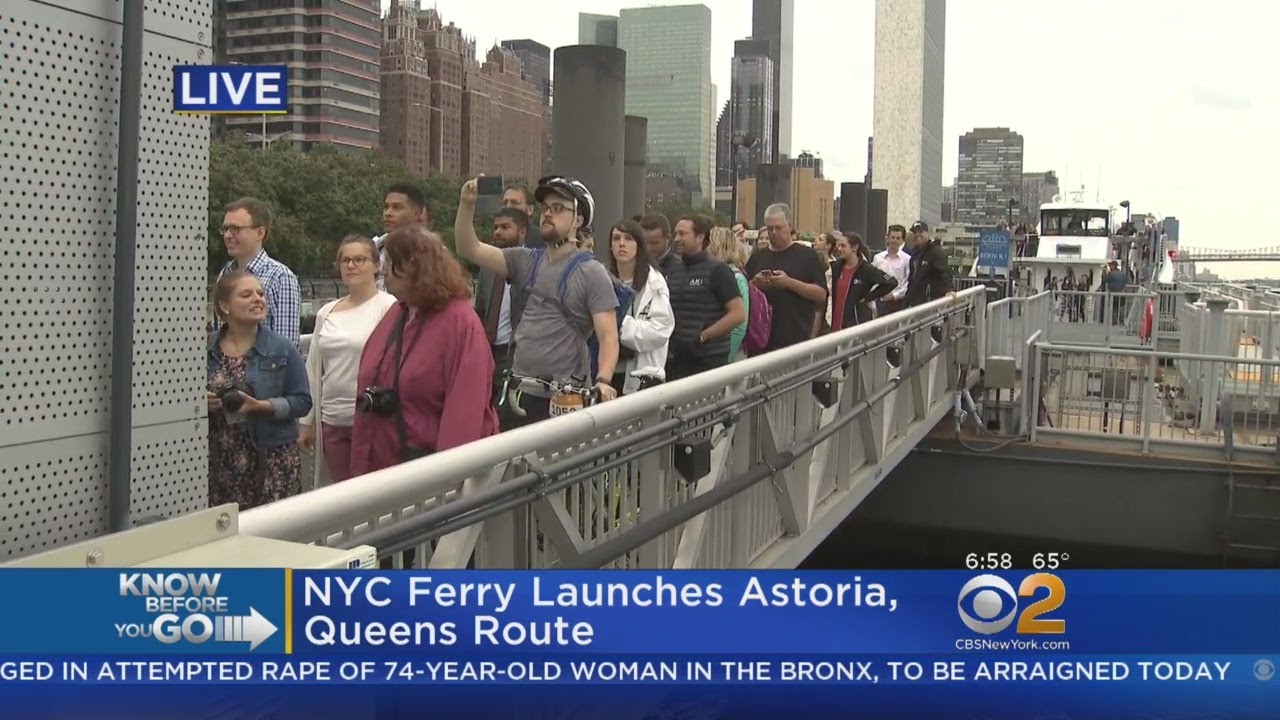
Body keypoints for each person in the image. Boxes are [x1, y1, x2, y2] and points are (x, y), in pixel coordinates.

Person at [453, 175, 621, 423]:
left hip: (562, 399)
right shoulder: (526, 260)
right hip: (518, 392)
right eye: (545, 208)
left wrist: (603, 381)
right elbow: (470, 248)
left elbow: (608, 336)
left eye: (558, 208)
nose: (548, 214)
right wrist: (466, 205)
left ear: (579, 219)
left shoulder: (591, 273)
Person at [348, 227, 498, 475]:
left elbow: (464, 415)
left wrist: (446, 482)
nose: (384, 270)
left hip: (424, 480)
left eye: (392, 262)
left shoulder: (460, 323)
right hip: (381, 470)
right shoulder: (398, 313)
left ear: (419, 268)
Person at [206, 271, 311, 509]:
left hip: (271, 460)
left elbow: (302, 401)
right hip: (219, 461)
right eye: (246, 294)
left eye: (260, 294)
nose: (258, 299)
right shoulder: (205, 350)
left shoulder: (281, 349)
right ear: (225, 305)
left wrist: (261, 406)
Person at [299, 236, 397, 487]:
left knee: (371, 492)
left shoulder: (390, 308)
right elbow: (313, 369)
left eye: (359, 259)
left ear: (377, 266)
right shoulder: (326, 312)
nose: (351, 265)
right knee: (340, 494)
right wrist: (306, 422)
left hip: (371, 419)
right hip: (332, 419)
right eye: (346, 260)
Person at [665, 215, 747, 380]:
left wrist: (704, 336)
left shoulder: (719, 270)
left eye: (682, 234)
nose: (677, 239)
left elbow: (738, 314)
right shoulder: (672, 270)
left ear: (700, 237)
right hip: (677, 360)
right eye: (675, 234)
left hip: (709, 359)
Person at [745, 203, 829, 350]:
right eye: (770, 228)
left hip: (796, 338)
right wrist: (755, 284)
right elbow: (742, 294)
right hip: (761, 340)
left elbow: (821, 294)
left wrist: (789, 283)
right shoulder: (757, 258)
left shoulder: (807, 256)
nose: (774, 233)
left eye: (778, 228)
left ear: (789, 227)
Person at [607, 219, 673, 393]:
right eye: (616, 238)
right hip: (606, 372)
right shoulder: (602, 278)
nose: (621, 244)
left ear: (639, 245)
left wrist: (617, 323)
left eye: (628, 239)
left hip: (640, 373)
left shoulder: (654, 283)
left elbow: (660, 330)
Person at [828, 233, 897, 331]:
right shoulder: (836, 267)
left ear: (854, 247)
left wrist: (869, 297)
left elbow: (891, 282)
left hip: (854, 323)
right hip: (833, 323)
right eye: (838, 246)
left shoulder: (866, 269)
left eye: (843, 246)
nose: (839, 249)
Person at [707, 226, 751, 362]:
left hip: (729, 356)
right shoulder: (710, 272)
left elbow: (740, 325)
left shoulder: (736, 277)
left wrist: (728, 357)